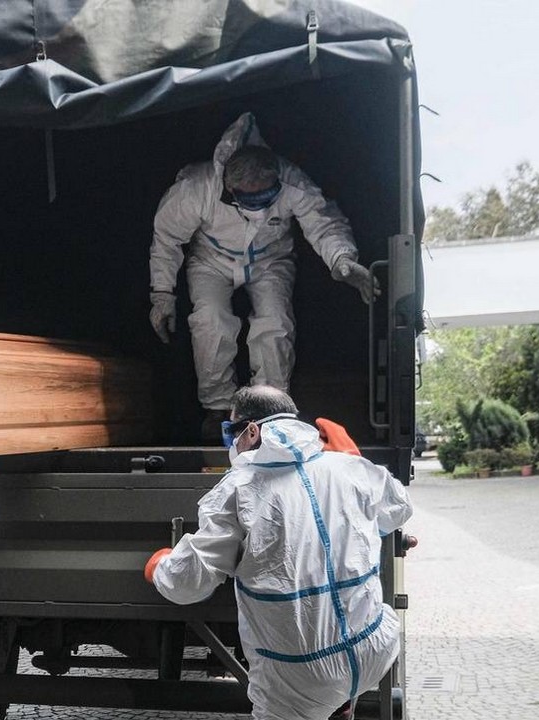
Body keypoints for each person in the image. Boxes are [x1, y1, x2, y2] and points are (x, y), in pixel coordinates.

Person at [144, 386, 412, 720]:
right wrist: (358, 463)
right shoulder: (349, 468)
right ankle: (341, 703)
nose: (231, 445)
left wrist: (161, 566)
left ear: (251, 431)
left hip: (300, 676)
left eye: (230, 433)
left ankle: (332, 699)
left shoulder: (239, 488)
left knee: (307, 688)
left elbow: (188, 584)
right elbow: (398, 509)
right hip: (373, 648)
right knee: (339, 675)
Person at [148, 112, 379, 442]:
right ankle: (217, 409)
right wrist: (162, 295)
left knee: (275, 322)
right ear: (229, 188)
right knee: (210, 321)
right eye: (249, 198)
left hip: (270, 258)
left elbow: (323, 221)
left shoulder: (293, 181)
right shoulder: (195, 188)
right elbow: (166, 237)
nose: (257, 206)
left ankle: (270, 410)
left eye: (265, 197)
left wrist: (342, 258)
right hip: (211, 259)